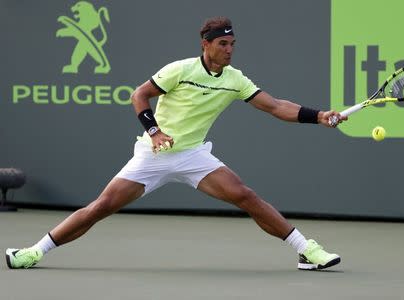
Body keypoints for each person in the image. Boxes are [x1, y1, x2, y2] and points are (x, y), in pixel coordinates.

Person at [6, 16, 346, 270]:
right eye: (223, 45)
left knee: (245, 195)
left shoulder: (235, 79)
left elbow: (274, 106)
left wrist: (318, 116)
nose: (229, 50)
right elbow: (139, 95)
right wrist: (154, 132)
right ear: (206, 45)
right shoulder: (180, 70)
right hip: (154, 153)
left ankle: (306, 250)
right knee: (102, 206)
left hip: (193, 155)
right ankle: (35, 251)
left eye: (232, 45)